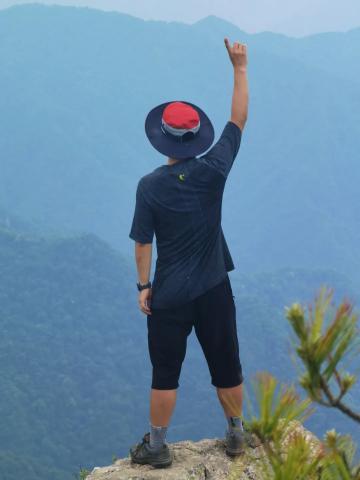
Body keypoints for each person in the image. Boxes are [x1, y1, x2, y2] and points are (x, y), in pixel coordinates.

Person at [128, 37, 249, 468]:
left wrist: (144, 285)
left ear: (162, 141)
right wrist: (239, 67)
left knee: (165, 373)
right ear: (198, 138)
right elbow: (238, 120)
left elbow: (144, 241)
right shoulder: (214, 170)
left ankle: (157, 446)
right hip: (214, 286)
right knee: (226, 363)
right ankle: (236, 435)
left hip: (170, 295)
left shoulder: (150, 187)